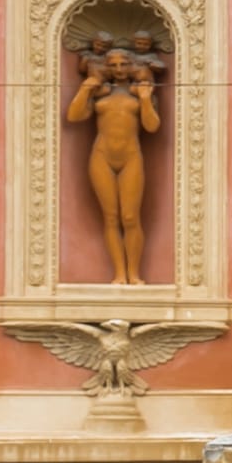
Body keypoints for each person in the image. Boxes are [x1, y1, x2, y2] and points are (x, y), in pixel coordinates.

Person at [65, 38, 167, 288]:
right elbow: (74, 115)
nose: (119, 69)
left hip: (131, 156)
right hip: (101, 156)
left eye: (124, 64)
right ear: (106, 66)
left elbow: (152, 126)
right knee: (111, 217)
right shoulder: (101, 91)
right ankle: (119, 274)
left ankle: (134, 273)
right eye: (114, 64)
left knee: (131, 217)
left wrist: (145, 99)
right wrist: (85, 89)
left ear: (132, 65)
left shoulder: (140, 91)